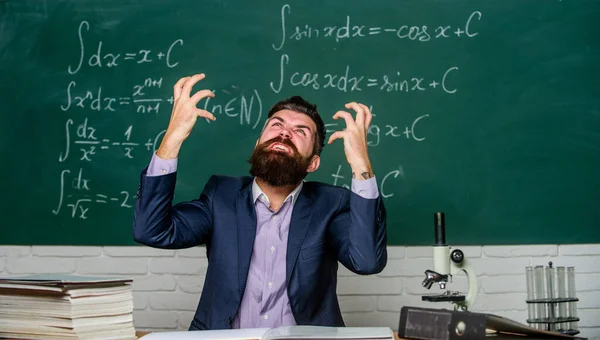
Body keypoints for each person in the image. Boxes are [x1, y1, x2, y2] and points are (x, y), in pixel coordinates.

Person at [133, 73, 387, 331]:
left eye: (300, 131)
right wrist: (172, 138)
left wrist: (360, 163)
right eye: (276, 125)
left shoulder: (330, 204)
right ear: (257, 145)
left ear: (313, 162)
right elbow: (151, 230)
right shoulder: (221, 197)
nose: (285, 134)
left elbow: (366, 261)